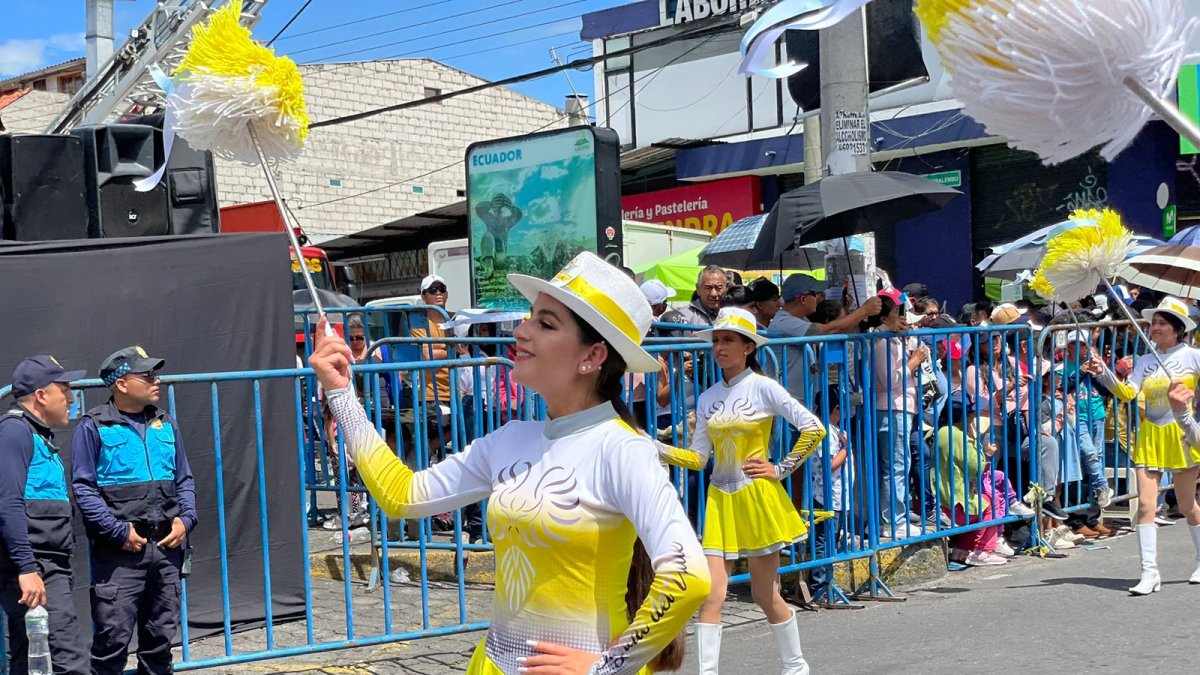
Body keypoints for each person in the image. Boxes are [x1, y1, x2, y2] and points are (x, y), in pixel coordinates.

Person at [309, 251, 710, 674]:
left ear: (592, 356)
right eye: (530, 317)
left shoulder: (623, 450)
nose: (521, 331)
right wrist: (340, 393)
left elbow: (688, 575)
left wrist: (606, 667)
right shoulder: (509, 440)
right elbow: (402, 495)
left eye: (545, 323)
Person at [658, 307, 826, 675]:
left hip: (757, 498)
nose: (720, 347)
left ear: (749, 347)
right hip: (720, 501)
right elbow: (699, 459)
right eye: (717, 340)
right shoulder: (707, 398)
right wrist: (656, 447)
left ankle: (795, 667)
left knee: (766, 595)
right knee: (711, 595)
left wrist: (779, 469)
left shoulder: (764, 387)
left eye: (728, 340)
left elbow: (813, 428)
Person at [72, 347, 198, 675]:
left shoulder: (165, 422)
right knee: (111, 643)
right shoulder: (94, 426)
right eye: (147, 376)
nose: (157, 381)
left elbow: (184, 478)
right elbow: (83, 489)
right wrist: (117, 531)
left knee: (160, 642)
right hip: (120, 555)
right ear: (122, 384)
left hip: (167, 551)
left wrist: (186, 520)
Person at [1088, 296, 1200, 594]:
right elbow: (1126, 393)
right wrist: (1104, 372)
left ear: (1178, 329)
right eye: (1154, 323)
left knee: (1188, 507)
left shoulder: (1193, 356)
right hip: (1150, 434)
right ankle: (1149, 573)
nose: (1156, 328)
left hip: (1182, 435)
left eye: (1163, 323)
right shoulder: (1145, 360)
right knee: (1147, 505)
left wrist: (1188, 403)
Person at [0, 356, 89, 675]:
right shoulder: (14, 432)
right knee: (70, 660)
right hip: (36, 566)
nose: (70, 397)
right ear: (40, 395)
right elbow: (7, 503)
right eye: (64, 389)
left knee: (28, 659)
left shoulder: (38, 435)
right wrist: (26, 567)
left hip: (47, 563)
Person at [932, 402, 1007, 566]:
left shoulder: (939, 431)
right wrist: (986, 454)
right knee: (992, 502)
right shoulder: (959, 436)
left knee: (981, 503)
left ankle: (962, 550)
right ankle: (982, 551)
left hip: (941, 496)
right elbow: (975, 469)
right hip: (955, 501)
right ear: (965, 416)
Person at [661, 265, 726, 330]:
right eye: (708, 288)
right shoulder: (683, 317)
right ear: (698, 289)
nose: (713, 294)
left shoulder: (733, 314)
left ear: (726, 287)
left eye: (718, 287)